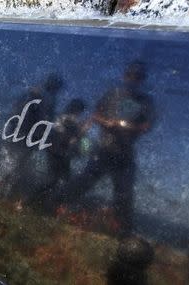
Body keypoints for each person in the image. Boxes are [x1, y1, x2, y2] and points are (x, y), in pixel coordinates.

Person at [58, 61, 155, 237]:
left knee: (124, 193)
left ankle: (123, 232)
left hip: (125, 154)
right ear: (125, 76)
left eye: (138, 77)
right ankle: (57, 205)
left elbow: (147, 126)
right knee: (84, 181)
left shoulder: (146, 102)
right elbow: (95, 115)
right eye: (131, 75)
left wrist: (123, 125)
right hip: (104, 150)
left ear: (142, 80)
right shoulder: (112, 94)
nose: (133, 79)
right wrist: (94, 128)